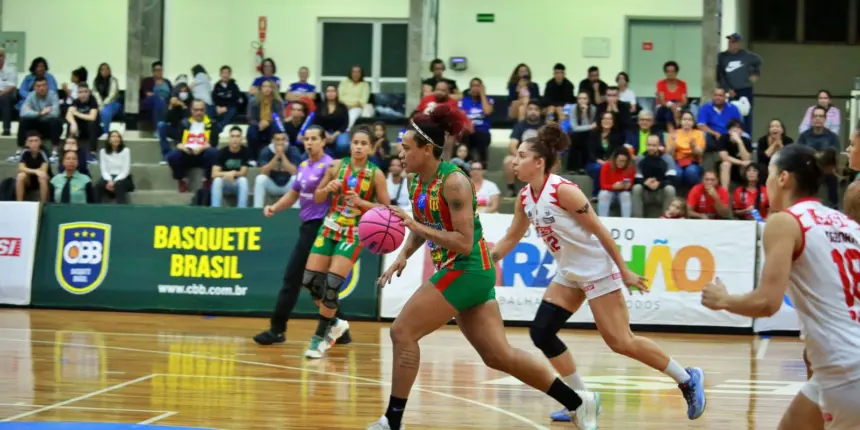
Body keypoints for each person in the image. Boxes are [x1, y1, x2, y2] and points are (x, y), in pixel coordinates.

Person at [368, 106, 599, 430]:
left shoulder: (455, 182)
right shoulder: (414, 181)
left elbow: (463, 242)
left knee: (402, 332)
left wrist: (415, 227)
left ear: (427, 149)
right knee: (498, 356)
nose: (400, 153)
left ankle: (392, 421)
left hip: (468, 268)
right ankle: (578, 402)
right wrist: (404, 253)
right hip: (460, 270)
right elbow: (422, 224)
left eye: (406, 147)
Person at [489, 123, 705, 423]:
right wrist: (487, 259)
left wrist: (624, 270)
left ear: (539, 162)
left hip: (596, 271)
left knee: (621, 342)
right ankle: (581, 401)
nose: (514, 161)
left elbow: (601, 231)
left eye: (521, 156)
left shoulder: (563, 191)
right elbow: (512, 237)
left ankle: (687, 378)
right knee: (542, 332)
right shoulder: (525, 197)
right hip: (569, 273)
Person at [702, 144, 860, 430]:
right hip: (837, 368)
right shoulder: (847, 224)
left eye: (769, 176)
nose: (766, 184)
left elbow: (767, 303)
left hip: (846, 371)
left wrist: (723, 299)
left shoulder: (785, 222)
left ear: (784, 178)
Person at [254, 125, 353, 346]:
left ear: (323, 141)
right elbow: (293, 194)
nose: (309, 143)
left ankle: (277, 330)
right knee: (315, 283)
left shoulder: (331, 166)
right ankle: (340, 328)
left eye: (314, 139)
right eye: (306, 139)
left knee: (292, 278)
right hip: (308, 226)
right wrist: (274, 207)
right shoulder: (303, 165)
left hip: (321, 226)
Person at [304, 127, 390, 358]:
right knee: (311, 281)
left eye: (364, 143)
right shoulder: (335, 167)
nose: (359, 147)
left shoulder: (376, 174)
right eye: (355, 143)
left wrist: (362, 202)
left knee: (332, 284)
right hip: (329, 227)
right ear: (350, 145)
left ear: (370, 148)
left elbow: (386, 208)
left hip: (354, 232)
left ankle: (319, 339)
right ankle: (336, 323)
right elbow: (317, 197)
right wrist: (327, 188)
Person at [95, 131, 133, 204]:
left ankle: (122, 208)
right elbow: (104, 170)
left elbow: (125, 171)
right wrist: (109, 180)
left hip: (123, 178)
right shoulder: (103, 151)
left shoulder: (126, 151)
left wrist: (114, 181)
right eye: (113, 136)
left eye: (118, 136)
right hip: (108, 177)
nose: (116, 138)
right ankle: (96, 208)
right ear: (109, 140)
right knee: (99, 185)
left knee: (119, 185)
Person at [15, 131, 51, 202]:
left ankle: (43, 203)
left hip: (41, 180)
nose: (34, 143)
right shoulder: (25, 152)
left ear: (40, 142)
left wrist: (28, 170)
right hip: (29, 179)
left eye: (36, 141)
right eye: (30, 141)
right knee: (20, 176)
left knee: (42, 176)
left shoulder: (43, 152)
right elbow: (21, 168)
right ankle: (19, 202)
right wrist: (36, 171)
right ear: (26, 143)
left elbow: (43, 170)